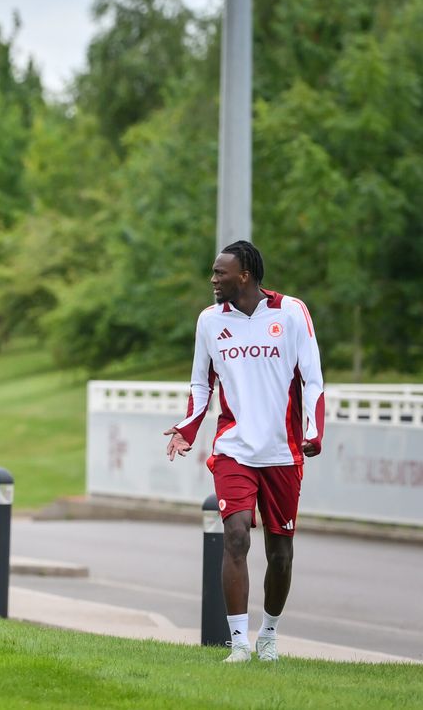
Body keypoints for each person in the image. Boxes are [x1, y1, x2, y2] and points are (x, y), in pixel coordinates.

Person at [165, 240, 325, 663]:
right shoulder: (210, 321)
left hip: (282, 451)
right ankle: (238, 644)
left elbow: (312, 377)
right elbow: (202, 382)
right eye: (214, 272)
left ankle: (268, 635)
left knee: (281, 553)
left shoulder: (291, 312)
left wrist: (313, 430)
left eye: (220, 273)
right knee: (235, 536)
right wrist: (188, 427)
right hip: (233, 448)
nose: (213, 279)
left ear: (245, 275)